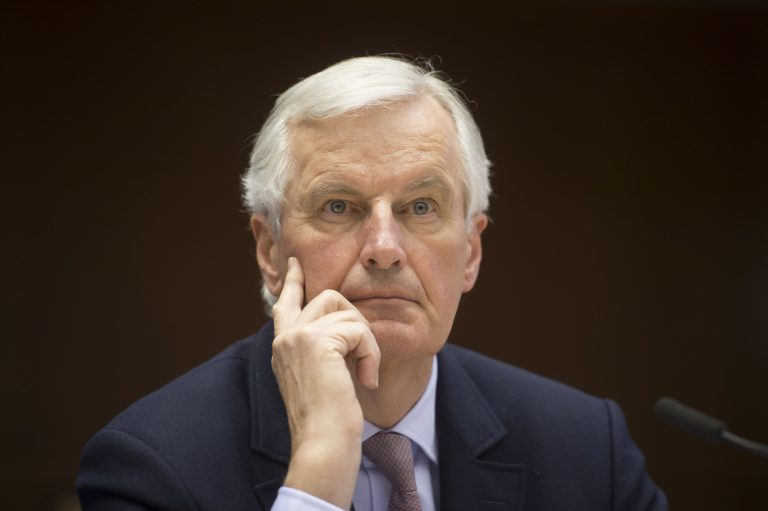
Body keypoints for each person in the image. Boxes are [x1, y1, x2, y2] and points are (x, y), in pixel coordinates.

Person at [77, 56, 668, 511]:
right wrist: (321, 464)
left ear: (471, 251)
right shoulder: (151, 467)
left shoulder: (587, 452)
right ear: (269, 251)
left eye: (421, 206)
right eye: (338, 206)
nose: (384, 248)